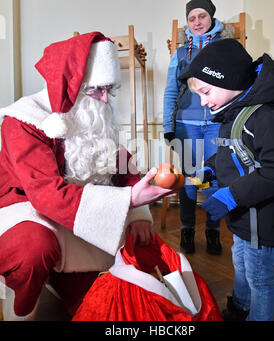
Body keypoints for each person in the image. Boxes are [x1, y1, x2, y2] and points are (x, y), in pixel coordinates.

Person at [0, 32, 175, 321]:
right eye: (97, 90)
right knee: (34, 249)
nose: (105, 99)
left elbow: (122, 165)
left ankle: (59, 277)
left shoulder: (90, 112)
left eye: (110, 90)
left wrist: (140, 212)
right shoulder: (23, 121)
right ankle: (21, 305)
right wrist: (130, 199)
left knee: (102, 306)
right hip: (24, 210)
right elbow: (46, 195)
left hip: (76, 214)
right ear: (70, 85)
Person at [178, 38, 274, 321]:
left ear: (229, 79)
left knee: (260, 278)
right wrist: (206, 172)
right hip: (245, 217)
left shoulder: (265, 116)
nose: (204, 101)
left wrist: (230, 196)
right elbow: (226, 152)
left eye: (206, 91)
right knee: (241, 264)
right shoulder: (234, 114)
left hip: (264, 218)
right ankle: (240, 308)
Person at [163, 0, 234, 255]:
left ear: (211, 17)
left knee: (214, 177)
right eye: (192, 18)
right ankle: (187, 230)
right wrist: (167, 126)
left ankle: (213, 232)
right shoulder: (181, 53)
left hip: (217, 123)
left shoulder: (226, 47)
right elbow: (171, 90)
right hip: (186, 123)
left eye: (201, 16)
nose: (197, 22)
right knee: (190, 179)